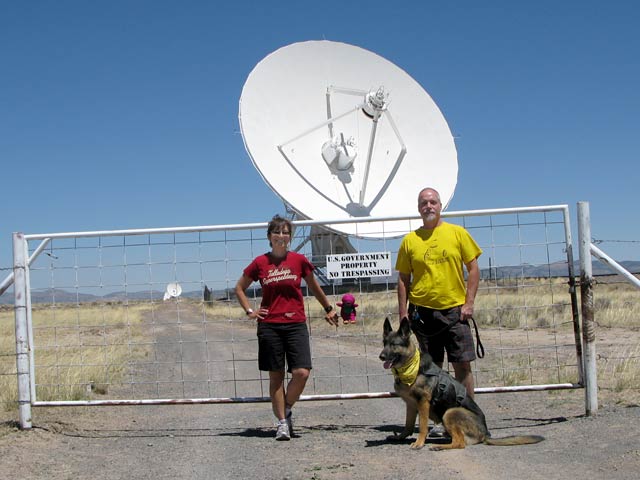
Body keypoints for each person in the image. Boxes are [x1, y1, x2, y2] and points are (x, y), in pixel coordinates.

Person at [235, 215, 339, 441]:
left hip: (295, 324)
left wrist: (328, 308)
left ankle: (287, 408)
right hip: (270, 326)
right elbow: (240, 288)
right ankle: (282, 423)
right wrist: (250, 311)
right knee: (276, 377)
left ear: (290, 237)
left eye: (285, 232)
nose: (281, 236)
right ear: (269, 237)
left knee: (301, 373)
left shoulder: (299, 261)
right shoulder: (260, 263)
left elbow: (313, 286)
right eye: (277, 232)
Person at [395, 187, 482, 436]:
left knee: (462, 366)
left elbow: (473, 269)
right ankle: (438, 422)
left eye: (433, 202)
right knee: (430, 372)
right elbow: (403, 279)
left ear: (440, 205)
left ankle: (468, 419)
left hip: (455, 313)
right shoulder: (410, 241)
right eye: (424, 203)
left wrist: (469, 302)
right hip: (423, 316)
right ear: (418, 208)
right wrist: (403, 313)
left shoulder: (457, 234)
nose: (428, 206)